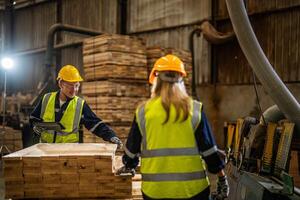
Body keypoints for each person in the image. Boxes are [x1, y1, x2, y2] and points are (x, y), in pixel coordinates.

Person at [117, 55, 229, 199]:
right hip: (193, 192)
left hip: (154, 192)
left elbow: (132, 152)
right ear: (181, 80)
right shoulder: (194, 109)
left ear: (155, 81)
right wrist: (221, 178)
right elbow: (209, 152)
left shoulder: (143, 112)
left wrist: (129, 165)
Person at [30, 64, 122, 147]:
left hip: (69, 153)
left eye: (77, 85)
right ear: (61, 84)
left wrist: (111, 136)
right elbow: (34, 118)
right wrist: (35, 127)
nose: (74, 90)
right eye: (70, 85)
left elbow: (95, 124)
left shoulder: (80, 105)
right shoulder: (46, 99)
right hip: (46, 151)